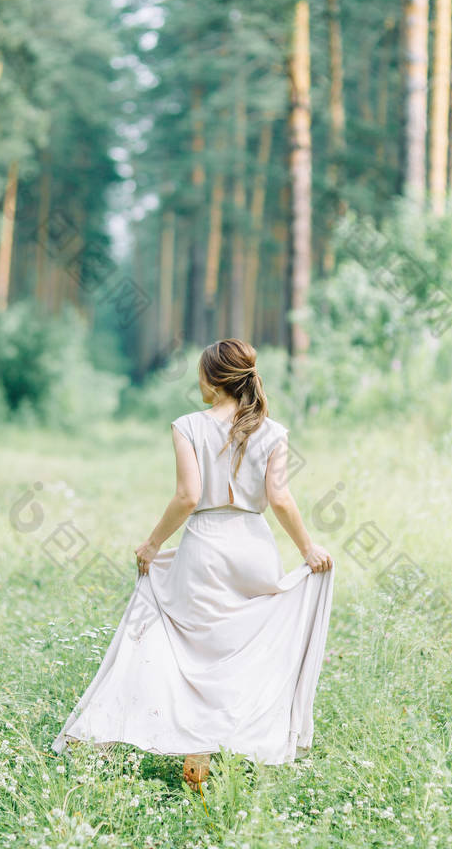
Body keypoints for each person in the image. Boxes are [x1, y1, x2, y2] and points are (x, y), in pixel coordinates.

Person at [52, 338, 334, 791]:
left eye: (200, 373)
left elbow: (187, 497)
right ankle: (226, 742)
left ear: (213, 378)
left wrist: (151, 544)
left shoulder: (187, 426)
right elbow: (279, 498)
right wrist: (307, 550)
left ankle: (193, 748)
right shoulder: (273, 432)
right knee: (240, 647)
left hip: (205, 544)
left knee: (192, 646)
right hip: (254, 544)